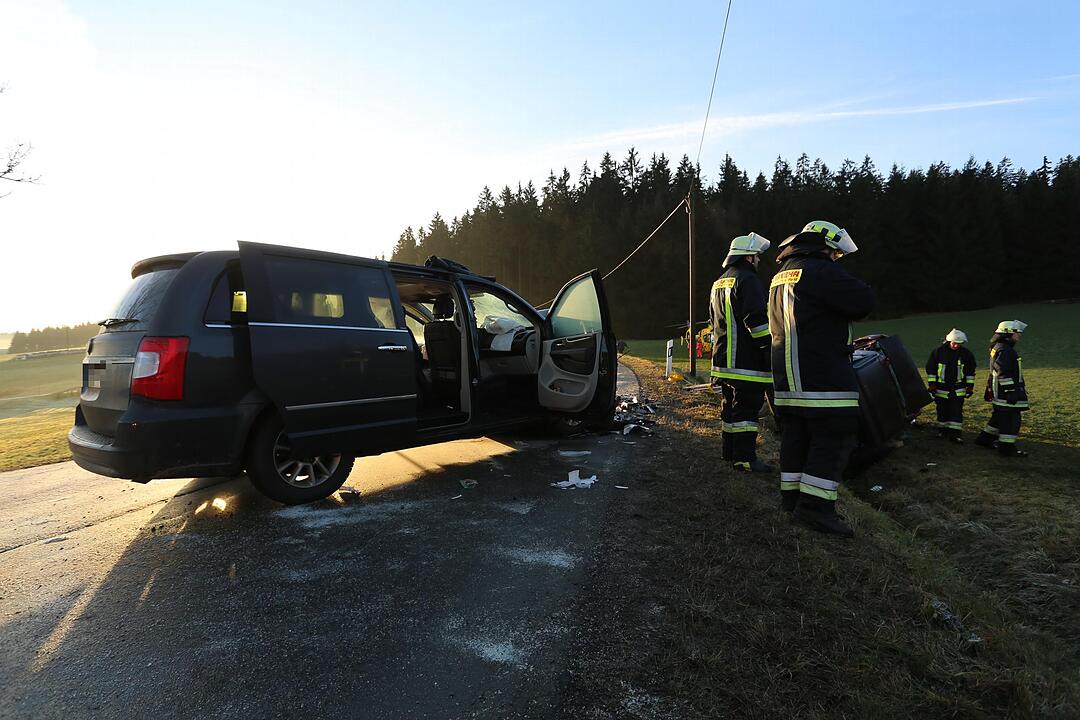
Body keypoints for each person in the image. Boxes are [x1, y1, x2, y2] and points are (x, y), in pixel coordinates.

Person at [768, 220, 875, 537]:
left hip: (788, 378)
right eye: (836, 253)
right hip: (822, 376)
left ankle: (792, 501)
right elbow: (863, 302)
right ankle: (815, 509)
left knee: (796, 436)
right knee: (835, 435)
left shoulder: (780, 275)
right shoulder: (820, 270)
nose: (837, 258)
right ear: (825, 246)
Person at [710, 232, 775, 472]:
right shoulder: (748, 280)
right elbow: (756, 321)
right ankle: (745, 459)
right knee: (747, 412)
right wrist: (769, 346)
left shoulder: (719, 281)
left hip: (723, 361)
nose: (759, 260)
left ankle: (729, 453)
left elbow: (713, 321)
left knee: (730, 407)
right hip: (746, 362)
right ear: (748, 257)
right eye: (757, 256)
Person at [975, 320, 1030, 457]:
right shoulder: (1005, 350)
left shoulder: (1000, 347)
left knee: (999, 416)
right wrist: (1011, 390)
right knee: (1011, 420)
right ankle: (1006, 448)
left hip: (1000, 391)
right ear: (1008, 334)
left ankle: (985, 439)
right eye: (1017, 333)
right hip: (1005, 393)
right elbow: (1002, 372)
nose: (1019, 336)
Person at [925, 329, 977, 443]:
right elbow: (931, 370)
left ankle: (955, 435)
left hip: (958, 389)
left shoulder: (966, 354)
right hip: (940, 388)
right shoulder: (938, 352)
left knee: (956, 411)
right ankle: (942, 431)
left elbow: (970, 371)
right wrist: (932, 384)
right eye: (954, 343)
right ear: (949, 341)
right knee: (942, 410)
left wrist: (970, 386)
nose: (956, 345)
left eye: (959, 343)